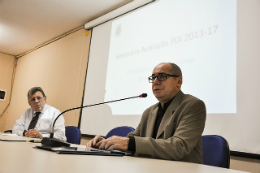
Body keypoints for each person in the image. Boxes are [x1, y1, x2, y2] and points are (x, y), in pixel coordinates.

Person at [87, 62, 206, 163]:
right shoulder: (149, 111)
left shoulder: (193, 105)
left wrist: (130, 143)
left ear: (179, 81)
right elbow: (133, 139)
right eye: (153, 77)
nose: (156, 82)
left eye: (162, 76)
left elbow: (179, 146)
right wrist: (106, 142)